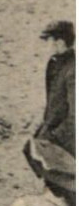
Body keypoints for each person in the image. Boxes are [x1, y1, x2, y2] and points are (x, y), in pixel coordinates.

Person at [37, 21, 75, 155]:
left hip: (67, 141)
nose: (46, 44)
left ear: (60, 42)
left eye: (48, 40)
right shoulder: (55, 63)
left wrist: (55, 135)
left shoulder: (73, 70)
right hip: (53, 131)